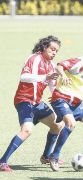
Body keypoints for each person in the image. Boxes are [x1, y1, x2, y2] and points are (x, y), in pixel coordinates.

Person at [0, 35, 63, 172]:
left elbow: (52, 86)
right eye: (52, 49)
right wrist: (44, 77)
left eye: (56, 51)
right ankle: (2, 162)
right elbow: (24, 77)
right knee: (27, 130)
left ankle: (46, 156)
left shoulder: (51, 65)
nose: (54, 52)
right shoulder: (34, 58)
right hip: (24, 100)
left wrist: (59, 96)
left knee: (57, 125)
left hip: (37, 103)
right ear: (44, 47)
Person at [48, 45, 83, 172]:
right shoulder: (79, 62)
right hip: (62, 98)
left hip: (76, 103)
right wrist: (63, 75)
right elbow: (59, 66)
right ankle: (54, 156)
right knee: (71, 124)